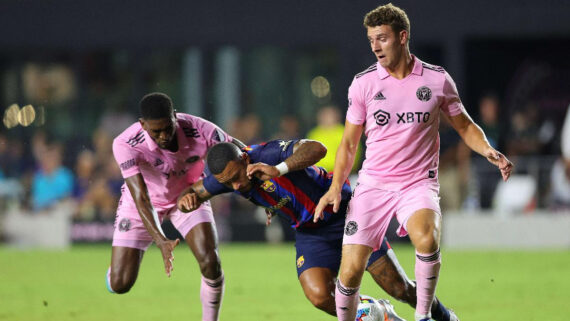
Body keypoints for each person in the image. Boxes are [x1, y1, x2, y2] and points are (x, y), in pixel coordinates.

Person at [314, 4, 513, 321]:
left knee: (427, 236)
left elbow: (463, 125)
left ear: (402, 37)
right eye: (371, 40)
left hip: (417, 184)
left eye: (382, 38)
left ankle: (424, 317)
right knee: (350, 272)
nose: (375, 46)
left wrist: (487, 149)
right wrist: (337, 186)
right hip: (373, 186)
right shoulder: (364, 83)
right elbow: (350, 142)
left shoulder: (436, 80)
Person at [178, 140, 458, 321]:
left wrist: (280, 168)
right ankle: (379, 313)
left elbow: (318, 149)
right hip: (311, 232)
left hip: (346, 214)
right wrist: (188, 198)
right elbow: (198, 191)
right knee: (318, 295)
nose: (236, 186)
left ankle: (446, 317)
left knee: (400, 287)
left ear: (244, 159)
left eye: (237, 176)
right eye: (228, 183)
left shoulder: (268, 153)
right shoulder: (228, 179)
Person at [106, 92, 243, 321]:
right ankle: (115, 270)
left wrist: (264, 192)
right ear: (142, 125)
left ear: (175, 117)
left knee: (211, 262)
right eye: (155, 131)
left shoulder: (199, 128)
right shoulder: (124, 143)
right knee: (120, 284)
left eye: (167, 128)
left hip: (187, 196)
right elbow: (141, 197)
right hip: (142, 202)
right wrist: (161, 240)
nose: (163, 136)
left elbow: (241, 155)